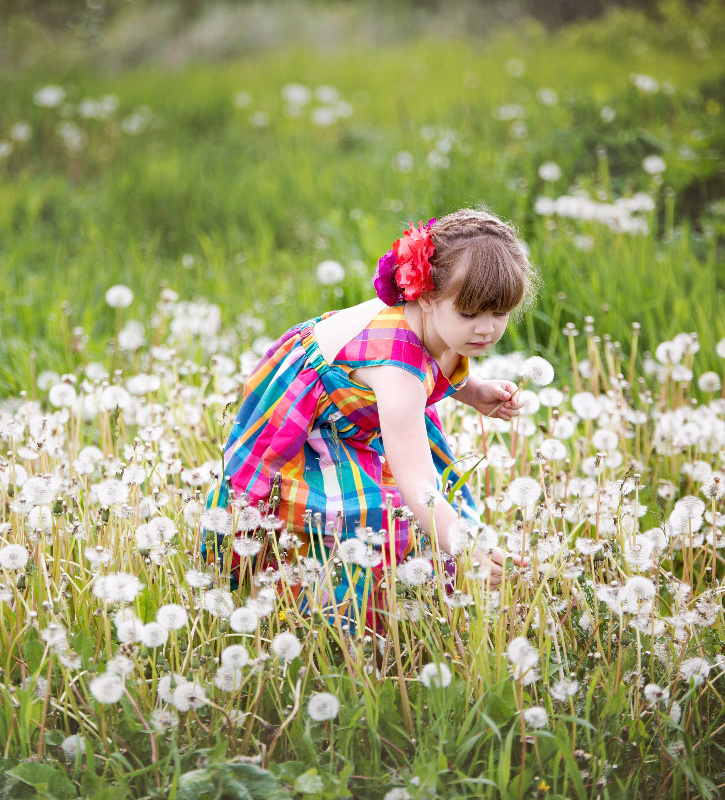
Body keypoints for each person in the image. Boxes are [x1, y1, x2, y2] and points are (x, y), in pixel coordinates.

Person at [203, 208, 538, 631]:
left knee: (413, 508)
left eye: (500, 314)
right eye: (470, 315)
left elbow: (442, 356)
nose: (486, 330)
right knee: (360, 514)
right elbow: (418, 481)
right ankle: (330, 616)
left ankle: (411, 596)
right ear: (428, 298)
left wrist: (473, 390)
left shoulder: (443, 328)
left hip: (365, 412)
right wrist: (465, 547)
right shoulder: (396, 374)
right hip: (308, 423)